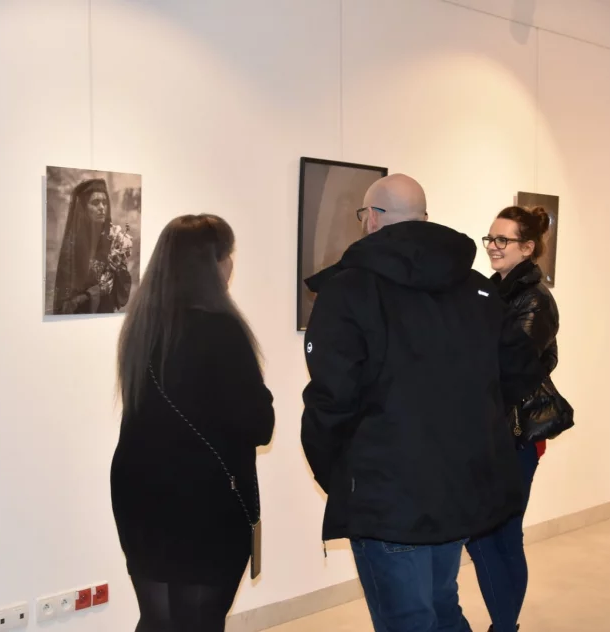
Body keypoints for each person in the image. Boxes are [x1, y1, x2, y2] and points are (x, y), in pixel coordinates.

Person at [300, 174, 544, 632]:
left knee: (411, 619)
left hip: (386, 491)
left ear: (371, 219)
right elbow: (518, 370)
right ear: (425, 219)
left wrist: (340, 474)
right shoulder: (477, 288)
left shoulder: (349, 291)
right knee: (441, 606)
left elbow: (331, 398)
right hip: (457, 484)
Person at [111, 215, 275, 632]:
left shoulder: (143, 328)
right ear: (212, 264)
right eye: (228, 257)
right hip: (204, 500)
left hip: (139, 493)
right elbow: (258, 424)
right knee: (199, 621)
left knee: (158, 619)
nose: (231, 267)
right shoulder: (222, 330)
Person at [466, 206, 564, 632]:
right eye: (490, 238)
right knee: (500, 535)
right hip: (491, 430)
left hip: (515, 435)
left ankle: (503, 627)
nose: (492, 247)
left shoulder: (535, 299)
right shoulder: (494, 291)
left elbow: (509, 366)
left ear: (528, 248)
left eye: (502, 240)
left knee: (491, 534)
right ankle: (505, 627)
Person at [53, 178, 133, 314]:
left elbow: (121, 293)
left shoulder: (112, 240)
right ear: (84, 209)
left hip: (105, 315)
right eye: (95, 203)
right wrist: (95, 292)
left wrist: (119, 271)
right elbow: (66, 304)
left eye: (104, 202)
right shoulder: (73, 247)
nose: (102, 207)